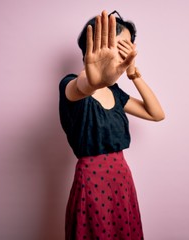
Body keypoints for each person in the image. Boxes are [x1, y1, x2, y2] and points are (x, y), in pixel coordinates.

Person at [59, 10, 165, 240]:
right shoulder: (71, 85)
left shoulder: (116, 93)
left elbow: (157, 114)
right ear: (95, 45)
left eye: (128, 47)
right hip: (92, 182)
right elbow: (81, 87)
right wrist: (93, 82)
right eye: (119, 45)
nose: (123, 53)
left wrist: (133, 73)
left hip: (121, 179)